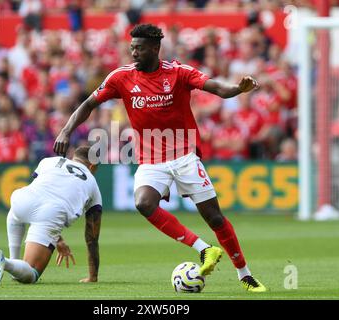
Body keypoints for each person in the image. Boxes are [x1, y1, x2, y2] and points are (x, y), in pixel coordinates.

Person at [53, 24, 266, 292]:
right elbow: (88, 105)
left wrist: (238, 89)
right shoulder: (121, 77)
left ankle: (245, 275)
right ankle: (203, 249)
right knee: (143, 203)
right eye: (131, 48)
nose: (133, 53)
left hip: (184, 156)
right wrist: (65, 130)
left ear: (155, 48)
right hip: (151, 159)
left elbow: (217, 89)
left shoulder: (178, 72)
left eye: (139, 48)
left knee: (215, 218)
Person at [0, 146, 102, 288]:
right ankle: (6, 262)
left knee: (16, 213)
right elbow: (92, 237)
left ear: (73, 157)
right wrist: (93, 276)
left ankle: (13, 262)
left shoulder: (49, 161)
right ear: (93, 165)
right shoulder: (92, 182)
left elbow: (42, 193)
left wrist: (58, 239)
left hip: (21, 198)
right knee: (31, 273)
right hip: (51, 213)